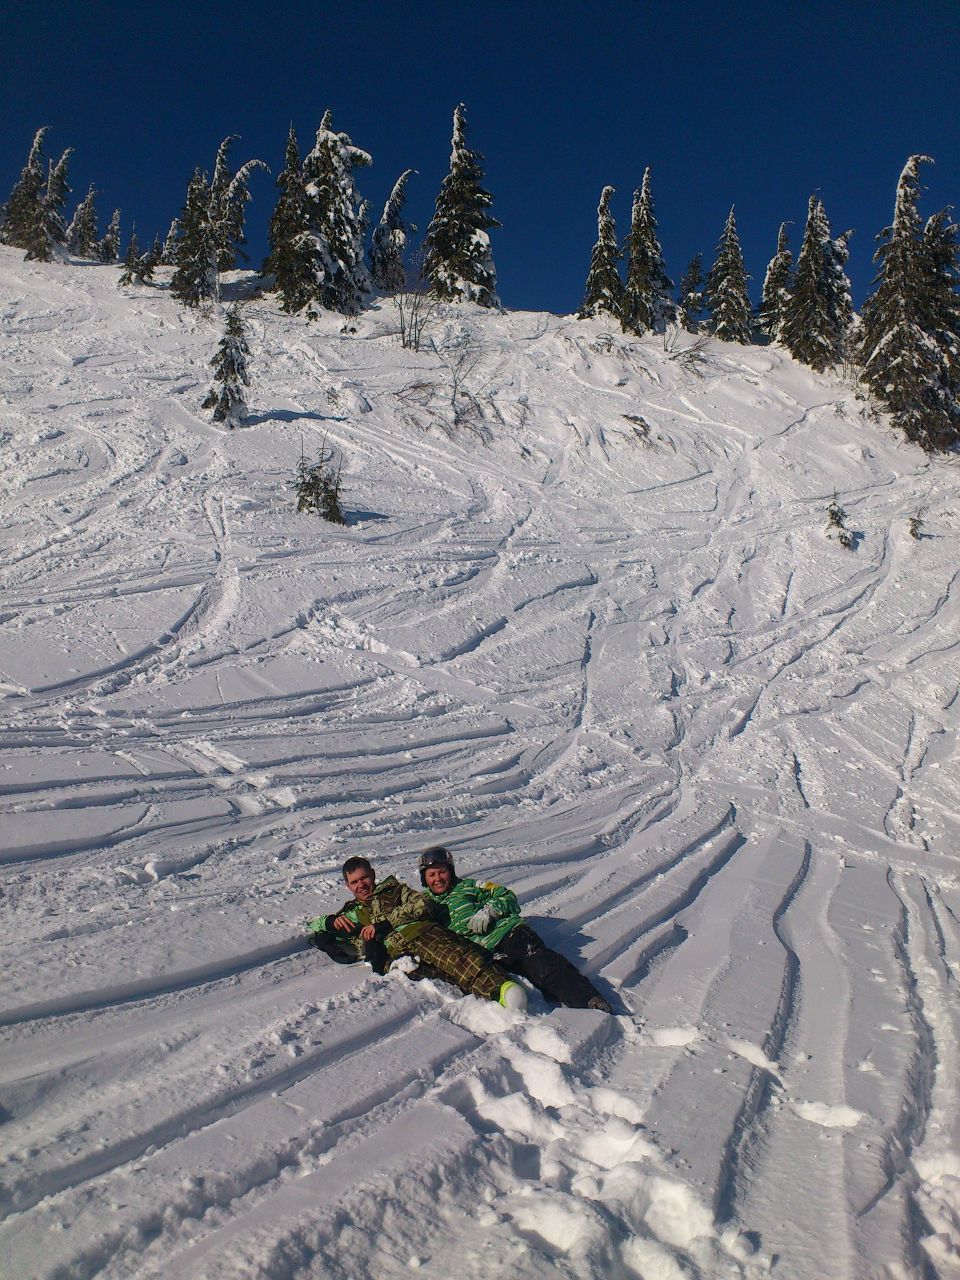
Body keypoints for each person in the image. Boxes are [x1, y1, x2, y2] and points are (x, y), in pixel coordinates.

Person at [307, 856, 526, 1010]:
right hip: (395, 955)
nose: (361, 885)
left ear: (373, 875)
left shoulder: (395, 891)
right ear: (347, 885)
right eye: (354, 882)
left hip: (419, 933)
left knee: (457, 959)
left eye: (364, 878)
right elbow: (314, 929)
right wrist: (327, 922)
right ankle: (481, 1000)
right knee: (443, 978)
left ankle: (502, 990)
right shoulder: (351, 914)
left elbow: (423, 903)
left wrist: (385, 923)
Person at [417, 846, 614, 1013]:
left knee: (539, 963)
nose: (438, 879)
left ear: (450, 871)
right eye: (431, 875)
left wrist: (489, 912)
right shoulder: (426, 904)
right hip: (483, 953)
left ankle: (589, 1000)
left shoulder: (469, 886)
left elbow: (505, 895)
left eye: (442, 872)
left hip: (508, 936)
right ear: (425, 879)